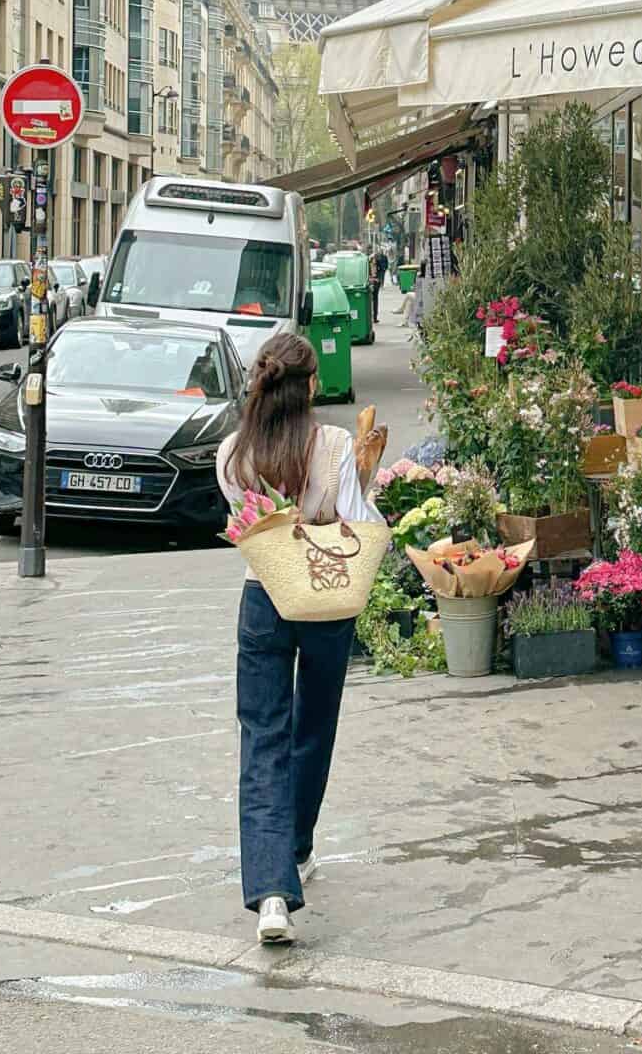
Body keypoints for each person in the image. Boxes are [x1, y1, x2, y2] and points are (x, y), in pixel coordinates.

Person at [217, 332, 383, 947]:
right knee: (313, 726)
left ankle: (271, 894)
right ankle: (298, 847)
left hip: (264, 597)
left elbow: (246, 528)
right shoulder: (335, 445)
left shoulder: (233, 453)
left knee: (262, 737)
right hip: (326, 596)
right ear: (311, 385)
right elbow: (358, 525)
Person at [370, 246, 389, 323]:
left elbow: (381, 269)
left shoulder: (375, 260)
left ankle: (374, 317)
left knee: (374, 299)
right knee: (372, 300)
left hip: (374, 281)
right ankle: (372, 317)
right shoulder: (370, 261)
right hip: (371, 281)